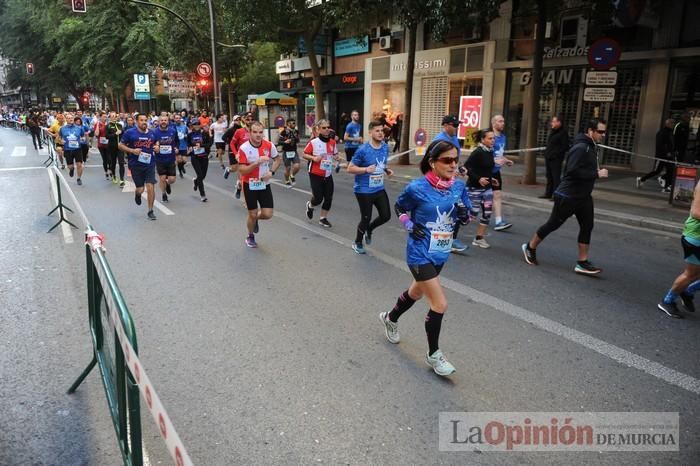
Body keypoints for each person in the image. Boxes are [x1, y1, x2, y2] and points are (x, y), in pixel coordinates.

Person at [379, 139, 471, 377]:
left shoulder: (458, 187)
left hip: (440, 252)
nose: (453, 165)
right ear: (432, 162)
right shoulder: (417, 188)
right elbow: (399, 207)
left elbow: (467, 216)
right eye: (447, 160)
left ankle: (390, 318)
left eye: (455, 160)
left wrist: (464, 215)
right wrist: (408, 223)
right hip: (419, 253)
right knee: (439, 303)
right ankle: (434, 354)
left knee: (416, 293)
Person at [521, 118, 609, 275]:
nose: (603, 134)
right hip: (568, 195)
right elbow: (571, 171)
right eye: (600, 131)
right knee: (553, 224)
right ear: (590, 131)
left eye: (604, 131)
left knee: (587, 226)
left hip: (584, 196)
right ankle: (530, 246)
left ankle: (582, 262)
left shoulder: (592, 147)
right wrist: (596, 173)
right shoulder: (581, 147)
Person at [347, 119, 394, 254]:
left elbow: (382, 164)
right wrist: (365, 170)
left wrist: (387, 170)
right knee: (366, 217)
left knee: (386, 216)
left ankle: (370, 229)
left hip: (378, 188)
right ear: (370, 133)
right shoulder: (363, 149)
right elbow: (350, 168)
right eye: (377, 131)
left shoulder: (385, 147)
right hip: (363, 190)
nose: (380, 133)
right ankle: (357, 242)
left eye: (382, 131)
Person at [658, 179, 700, 318]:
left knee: (694, 274)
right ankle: (667, 301)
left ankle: (688, 291)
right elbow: (695, 212)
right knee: (691, 274)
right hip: (696, 237)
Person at [238, 121, 282, 248]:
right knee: (252, 213)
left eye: (260, 132)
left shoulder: (269, 145)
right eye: (255, 132)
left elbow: (278, 159)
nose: (258, 135)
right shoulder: (244, 148)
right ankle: (250, 236)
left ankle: (255, 219)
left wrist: (271, 172)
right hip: (249, 184)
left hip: (264, 183)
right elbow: (242, 170)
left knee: (268, 214)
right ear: (250, 133)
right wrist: (257, 162)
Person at [118, 113, 158, 220]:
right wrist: (132, 151)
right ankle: (137, 194)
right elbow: (120, 145)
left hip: (150, 163)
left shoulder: (152, 133)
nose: (144, 122)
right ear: (136, 122)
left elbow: (156, 142)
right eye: (141, 120)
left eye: (146, 120)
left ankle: (150, 211)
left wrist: (157, 147)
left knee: (150, 186)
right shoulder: (130, 133)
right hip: (135, 164)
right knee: (140, 189)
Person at [302, 119, 342, 227]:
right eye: (324, 128)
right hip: (315, 173)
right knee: (318, 198)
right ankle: (310, 205)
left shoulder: (332, 142)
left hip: (328, 174)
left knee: (328, 197)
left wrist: (337, 158)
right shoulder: (314, 142)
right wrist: (314, 158)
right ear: (318, 129)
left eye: (328, 127)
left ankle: (323, 218)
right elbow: (304, 154)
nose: (326, 129)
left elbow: (335, 154)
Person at [462, 128, 497, 249]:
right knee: (472, 214)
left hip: (487, 188)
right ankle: (449, 228)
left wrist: (490, 178)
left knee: (487, 213)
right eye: (490, 138)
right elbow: (464, 168)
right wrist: (478, 179)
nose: (493, 140)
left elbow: (486, 169)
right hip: (474, 188)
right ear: (483, 139)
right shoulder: (477, 152)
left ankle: (479, 238)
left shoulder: (489, 151)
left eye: (493, 138)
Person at [490, 115, 514, 231]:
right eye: (500, 121)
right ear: (494, 123)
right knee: (475, 196)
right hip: (485, 170)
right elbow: (482, 154)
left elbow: (499, 154)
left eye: (503, 121)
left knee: (497, 195)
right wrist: (493, 160)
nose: (503, 123)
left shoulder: (503, 137)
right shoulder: (489, 137)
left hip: (496, 171)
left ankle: (499, 221)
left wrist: (506, 160)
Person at [637, 119, 675, 193]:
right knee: (657, 171)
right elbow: (659, 145)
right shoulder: (661, 132)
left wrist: (673, 152)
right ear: (668, 124)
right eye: (672, 123)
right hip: (662, 156)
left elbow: (671, 144)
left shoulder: (670, 133)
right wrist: (666, 152)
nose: (673, 125)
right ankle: (642, 179)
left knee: (671, 171)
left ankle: (666, 187)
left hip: (670, 156)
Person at [541, 114, 569, 199]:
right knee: (549, 176)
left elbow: (565, 146)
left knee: (556, 177)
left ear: (559, 122)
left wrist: (555, 154)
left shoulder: (563, 133)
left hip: (556, 159)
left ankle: (556, 195)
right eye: (552, 121)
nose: (551, 123)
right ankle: (548, 193)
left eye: (554, 121)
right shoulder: (553, 131)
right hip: (549, 157)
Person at [153, 113, 179, 203]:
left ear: (168, 121)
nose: (163, 122)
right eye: (162, 120)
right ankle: (164, 194)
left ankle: (168, 184)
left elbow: (176, 142)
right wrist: (154, 147)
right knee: (162, 178)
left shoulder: (173, 131)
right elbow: (151, 144)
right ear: (159, 121)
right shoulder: (154, 132)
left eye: (165, 120)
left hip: (171, 158)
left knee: (172, 179)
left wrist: (176, 148)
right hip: (160, 159)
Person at [187, 118, 212, 202]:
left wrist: (201, 145)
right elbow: (188, 145)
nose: (196, 126)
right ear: (192, 126)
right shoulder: (190, 135)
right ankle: (203, 194)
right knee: (200, 175)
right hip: (195, 157)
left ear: (200, 125)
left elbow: (209, 144)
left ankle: (196, 181)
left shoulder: (204, 134)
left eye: (198, 124)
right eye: (194, 124)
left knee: (203, 176)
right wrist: (190, 148)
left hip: (204, 156)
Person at [230, 112, 253, 198]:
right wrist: (236, 154)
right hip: (242, 158)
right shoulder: (239, 131)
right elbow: (232, 144)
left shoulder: (255, 131)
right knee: (243, 178)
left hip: (253, 158)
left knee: (252, 179)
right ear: (244, 120)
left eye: (251, 119)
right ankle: (246, 200)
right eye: (248, 119)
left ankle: (238, 186)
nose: (250, 121)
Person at [59, 116, 87, 185]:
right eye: (68, 118)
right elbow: (59, 138)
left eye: (71, 118)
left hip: (77, 149)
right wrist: (61, 141)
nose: (71, 119)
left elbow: (83, 136)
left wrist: (83, 139)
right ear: (66, 119)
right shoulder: (62, 129)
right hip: (67, 149)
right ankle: (71, 169)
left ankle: (79, 178)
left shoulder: (79, 128)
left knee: (79, 164)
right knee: (70, 166)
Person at [278, 118, 301, 186]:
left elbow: (298, 140)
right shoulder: (284, 131)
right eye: (292, 123)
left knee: (297, 166)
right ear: (288, 124)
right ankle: (287, 180)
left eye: (294, 123)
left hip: (294, 151)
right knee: (288, 168)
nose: (294, 124)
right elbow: (279, 141)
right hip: (286, 152)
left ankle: (292, 175)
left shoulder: (296, 131)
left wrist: (296, 138)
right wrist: (285, 142)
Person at [105, 112, 125, 186]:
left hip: (120, 147)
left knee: (121, 163)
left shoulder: (120, 125)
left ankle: (122, 179)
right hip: (112, 147)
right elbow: (106, 136)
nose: (114, 117)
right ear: (110, 117)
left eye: (115, 116)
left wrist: (123, 142)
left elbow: (123, 135)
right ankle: (113, 176)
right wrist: (115, 134)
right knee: (113, 162)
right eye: (112, 116)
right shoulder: (108, 126)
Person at [93, 112, 112, 181]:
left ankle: (110, 170)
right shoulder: (97, 124)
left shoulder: (109, 124)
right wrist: (98, 125)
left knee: (110, 158)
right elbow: (96, 134)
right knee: (105, 159)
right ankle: (106, 172)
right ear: (100, 117)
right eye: (104, 116)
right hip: (101, 144)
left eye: (106, 116)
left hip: (108, 144)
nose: (105, 118)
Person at [222, 114, 241, 179]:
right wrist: (230, 142)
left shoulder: (242, 129)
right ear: (234, 121)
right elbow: (223, 137)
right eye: (236, 120)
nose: (238, 121)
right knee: (234, 168)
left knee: (240, 167)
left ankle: (239, 183)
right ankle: (228, 169)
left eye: (239, 120)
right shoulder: (231, 130)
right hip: (232, 150)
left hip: (240, 150)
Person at [173, 113, 189, 178]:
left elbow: (188, 135)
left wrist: (186, 136)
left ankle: (182, 166)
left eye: (179, 118)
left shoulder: (184, 127)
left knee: (184, 160)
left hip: (184, 145)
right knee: (179, 160)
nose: (178, 119)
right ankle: (180, 172)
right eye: (176, 118)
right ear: (174, 119)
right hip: (177, 146)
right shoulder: (173, 127)